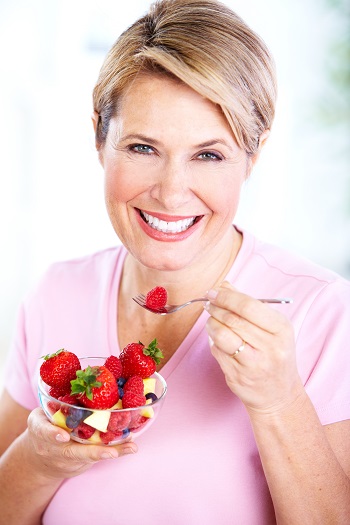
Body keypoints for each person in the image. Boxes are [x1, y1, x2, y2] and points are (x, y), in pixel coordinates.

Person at [0, 0, 349, 523]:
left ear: (252, 156)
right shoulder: (55, 293)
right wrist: (39, 458)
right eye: (142, 147)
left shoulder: (324, 313)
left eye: (208, 155)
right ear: (100, 138)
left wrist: (279, 402)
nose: (170, 192)